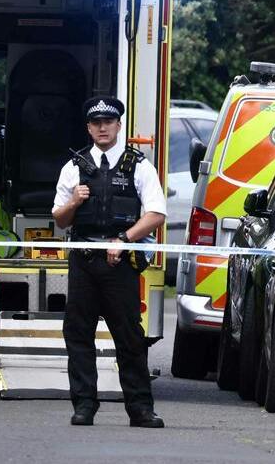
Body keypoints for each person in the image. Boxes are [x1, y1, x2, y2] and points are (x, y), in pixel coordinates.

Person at [51, 95, 166, 429]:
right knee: (78, 336)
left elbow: (156, 214)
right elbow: (59, 218)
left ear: (118, 125)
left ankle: (141, 409)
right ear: (89, 128)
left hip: (121, 265)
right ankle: (84, 405)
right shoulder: (73, 167)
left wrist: (125, 239)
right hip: (84, 263)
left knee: (129, 337)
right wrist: (74, 202)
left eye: (109, 122)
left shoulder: (139, 165)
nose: (103, 127)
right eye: (96, 123)